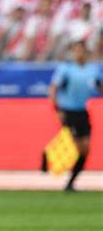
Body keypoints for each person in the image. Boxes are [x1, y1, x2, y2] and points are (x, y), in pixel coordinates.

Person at [47, 40, 102, 191]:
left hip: (82, 111)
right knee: (77, 146)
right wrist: (58, 110)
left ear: (86, 52)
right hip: (68, 111)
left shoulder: (92, 70)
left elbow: (99, 86)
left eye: (81, 50)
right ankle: (49, 160)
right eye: (75, 50)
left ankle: (71, 181)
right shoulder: (66, 69)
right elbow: (53, 89)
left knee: (86, 149)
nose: (78, 53)